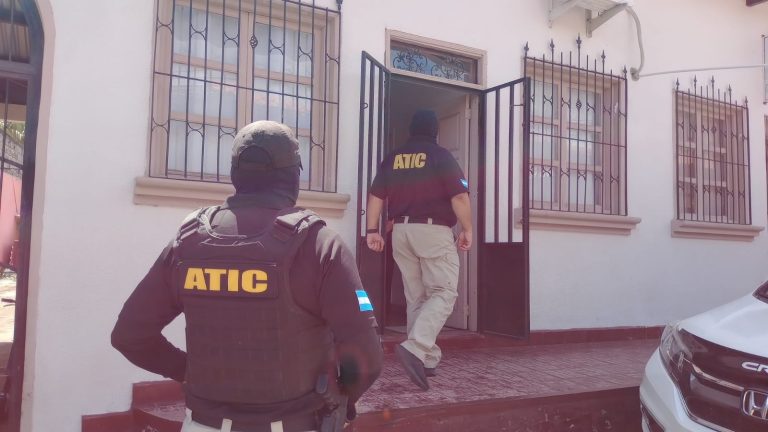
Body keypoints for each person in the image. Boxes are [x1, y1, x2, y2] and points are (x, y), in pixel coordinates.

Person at [112, 121, 383, 432]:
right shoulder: (320, 244)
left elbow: (129, 335)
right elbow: (368, 357)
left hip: (203, 424)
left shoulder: (188, 241)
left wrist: (189, 371)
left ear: (235, 173)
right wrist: (343, 402)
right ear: (293, 175)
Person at [365, 109, 472, 391]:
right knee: (444, 292)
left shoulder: (394, 158)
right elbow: (460, 196)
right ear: (435, 131)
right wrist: (468, 229)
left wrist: (372, 230)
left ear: (411, 130)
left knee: (417, 297)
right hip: (433, 231)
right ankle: (416, 347)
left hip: (401, 232)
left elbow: (376, 195)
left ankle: (426, 358)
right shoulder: (441, 156)